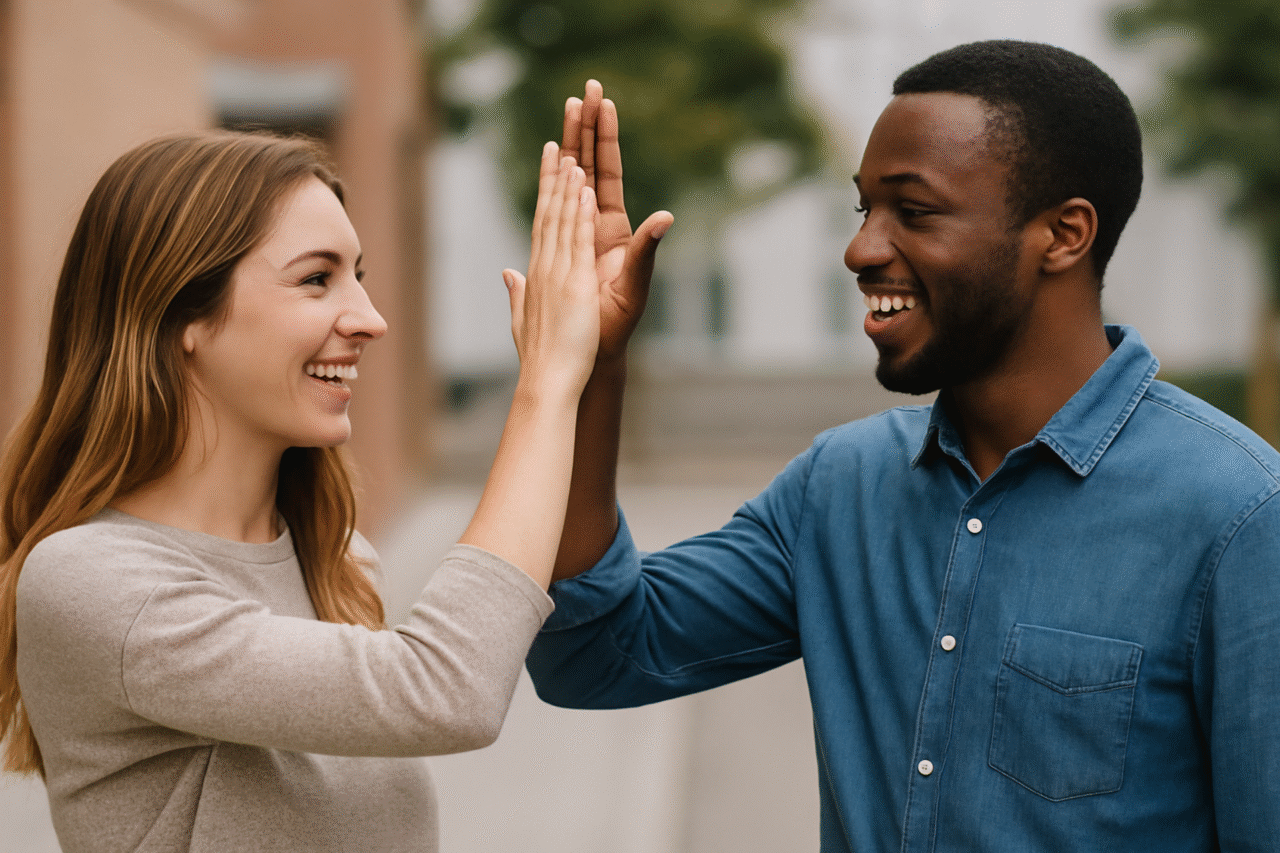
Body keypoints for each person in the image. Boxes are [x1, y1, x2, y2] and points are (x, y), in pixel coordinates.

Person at [526, 41, 1280, 851]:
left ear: (1062, 235)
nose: (860, 250)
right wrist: (590, 365)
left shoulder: (1239, 517)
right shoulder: (838, 487)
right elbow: (591, 654)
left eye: (912, 212)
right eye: (864, 211)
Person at [0, 129, 631, 851]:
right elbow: (446, 689)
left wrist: (586, 368)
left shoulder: (338, 561)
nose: (370, 317)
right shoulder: (93, 582)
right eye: (315, 278)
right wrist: (549, 381)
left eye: (358, 274)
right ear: (183, 316)